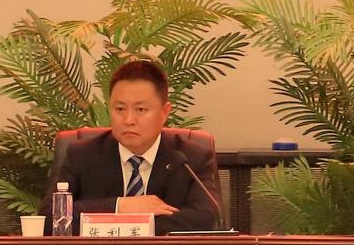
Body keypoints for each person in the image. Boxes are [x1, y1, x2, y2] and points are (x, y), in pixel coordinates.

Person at [40, 60, 220, 235]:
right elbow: (50, 218)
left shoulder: (190, 158)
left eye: (140, 110)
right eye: (120, 109)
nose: (128, 120)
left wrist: (131, 223)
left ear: (164, 112)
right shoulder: (83, 155)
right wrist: (121, 206)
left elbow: (205, 219)